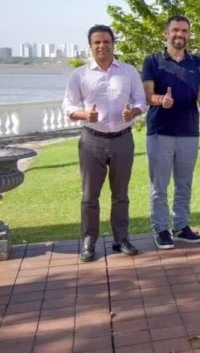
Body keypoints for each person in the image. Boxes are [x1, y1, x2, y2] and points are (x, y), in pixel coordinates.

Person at [63, 25, 147, 262]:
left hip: (122, 139)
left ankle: (121, 240)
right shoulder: (80, 75)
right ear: (90, 46)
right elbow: (68, 106)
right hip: (92, 140)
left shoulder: (128, 72)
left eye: (106, 41)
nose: (102, 46)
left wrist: (133, 112)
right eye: (97, 42)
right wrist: (84, 115)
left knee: (121, 194)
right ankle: (88, 242)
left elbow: (141, 101)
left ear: (113, 44)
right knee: (90, 195)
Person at [142, 15, 200, 250]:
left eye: (184, 31)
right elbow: (147, 95)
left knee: (184, 184)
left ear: (188, 34)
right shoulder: (152, 61)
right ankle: (160, 229)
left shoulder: (197, 62)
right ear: (166, 33)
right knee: (159, 186)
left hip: (189, 132)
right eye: (175, 30)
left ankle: (181, 227)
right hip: (160, 131)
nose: (180, 34)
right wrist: (161, 100)